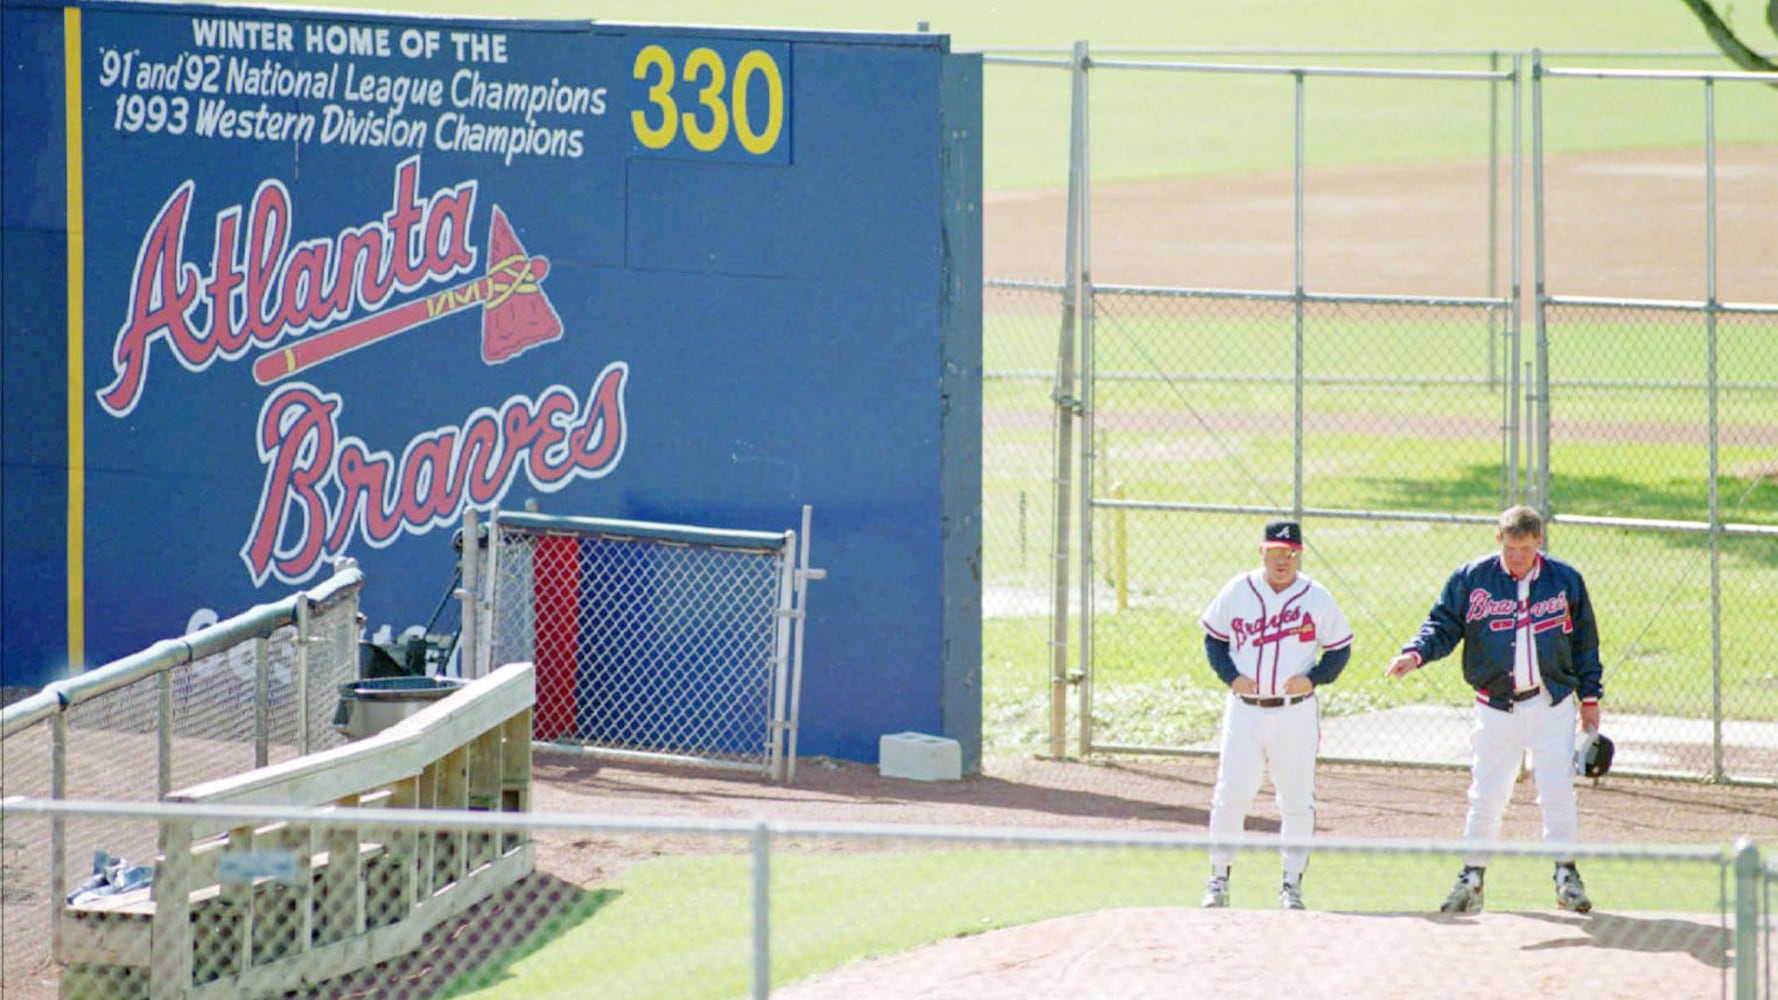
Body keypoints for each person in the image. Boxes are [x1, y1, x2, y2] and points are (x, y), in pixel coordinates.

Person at [1385, 504, 1603, 915]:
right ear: (1497, 539)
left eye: (1525, 546)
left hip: (1550, 701)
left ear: (1539, 541)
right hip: (1496, 704)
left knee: (1556, 790)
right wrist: (1416, 654)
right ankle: (1472, 877)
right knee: (1487, 793)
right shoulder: (1473, 578)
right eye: (1510, 545)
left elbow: (1585, 643)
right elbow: (1443, 625)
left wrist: (1590, 698)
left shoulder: (1565, 581)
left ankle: (1566, 876)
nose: (1517, 555)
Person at [1199, 519, 1353, 910]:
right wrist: (1230, 676)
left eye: (1290, 553)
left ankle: (1291, 884)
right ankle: (1218, 879)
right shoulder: (1239, 589)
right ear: (1261, 552)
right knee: (1231, 795)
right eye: (1274, 552)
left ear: (1299, 555)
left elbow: (1340, 649)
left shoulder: (1316, 597)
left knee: (1296, 800)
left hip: (1294, 715)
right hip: (1245, 713)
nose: (1282, 560)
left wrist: (1316, 678)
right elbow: (1214, 639)